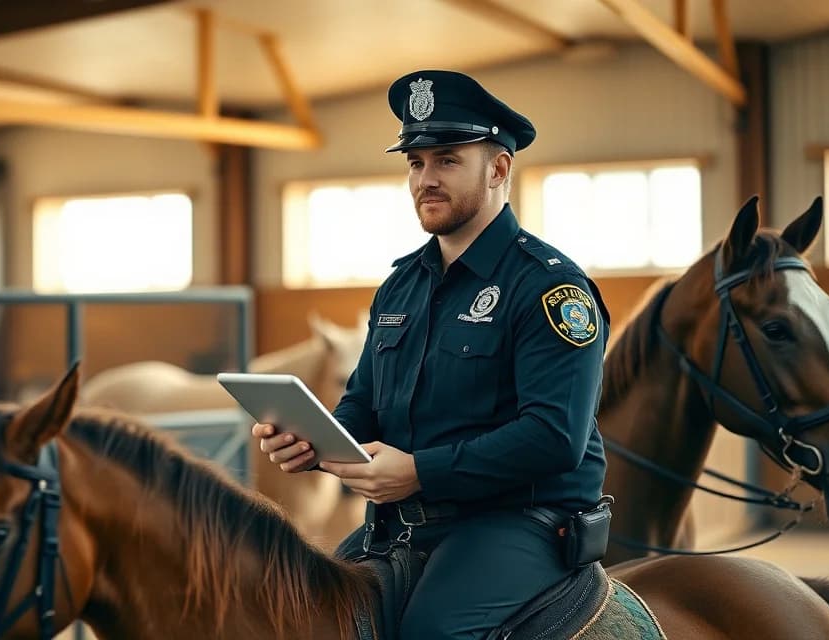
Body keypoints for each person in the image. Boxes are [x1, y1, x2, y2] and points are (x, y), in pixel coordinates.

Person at [252, 69, 610, 638]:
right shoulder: (400, 287)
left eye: (447, 159)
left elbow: (554, 435)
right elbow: (364, 402)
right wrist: (315, 442)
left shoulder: (549, 289)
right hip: (401, 524)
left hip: (520, 523)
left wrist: (419, 472)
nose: (426, 179)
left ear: (498, 169)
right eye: (416, 163)